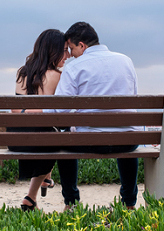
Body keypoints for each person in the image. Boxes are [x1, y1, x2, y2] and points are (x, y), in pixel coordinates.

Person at [49, 22, 140, 209]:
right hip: (127, 141)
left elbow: (60, 110)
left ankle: (71, 203)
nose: (70, 54)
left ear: (82, 45)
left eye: (71, 48)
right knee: (126, 132)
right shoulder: (126, 61)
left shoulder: (74, 67)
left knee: (63, 141)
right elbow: (133, 97)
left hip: (89, 140)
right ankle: (129, 203)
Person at [8, 29, 70, 211]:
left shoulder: (22, 73)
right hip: (42, 141)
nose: (67, 56)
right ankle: (38, 188)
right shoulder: (58, 76)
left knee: (47, 133)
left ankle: (37, 189)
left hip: (16, 140)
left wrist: (28, 112)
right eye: (64, 50)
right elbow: (60, 114)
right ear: (53, 50)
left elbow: (15, 110)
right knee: (56, 137)